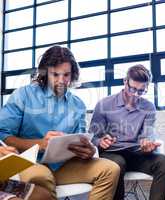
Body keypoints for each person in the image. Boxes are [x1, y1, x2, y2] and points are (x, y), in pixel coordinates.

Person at [0, 46, 120, 200]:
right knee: (42, 176)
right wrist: (40, 144)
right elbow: (3, 135)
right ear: (45, 73)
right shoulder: (23, 95)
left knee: (111, 169)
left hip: (64, 165)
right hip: (30, 163)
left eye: (66, 75)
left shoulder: (78, 105)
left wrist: (89, 150)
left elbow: (81, 138)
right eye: (55, 75)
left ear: (73, 74)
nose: (61, 81)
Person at [89, 64, 165, 200]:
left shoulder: (148, 107)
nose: (135, 94)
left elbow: (147, 134)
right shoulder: (104, 104)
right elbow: (92, 136)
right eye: (132, 88)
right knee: (118, 163)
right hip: (112, 153)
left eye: (141, 91)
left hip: (136, 154)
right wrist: (100, 141)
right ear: (125, 82)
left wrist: (147, 145)